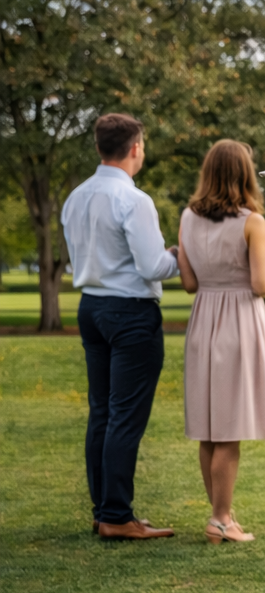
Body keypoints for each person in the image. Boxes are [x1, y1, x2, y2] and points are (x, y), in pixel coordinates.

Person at [62, 113, 181, 540]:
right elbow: (152, 265)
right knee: (125, 416)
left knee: (102, 413)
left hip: (90, 307)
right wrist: (176, 254)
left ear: (98, 147)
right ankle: (116, 515)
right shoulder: (134, 200)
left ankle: (105, 509)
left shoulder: (75, 197)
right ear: (134, 149)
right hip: (130, 312)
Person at [176, 140, 265, 544]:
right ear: (245, 173)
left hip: (204, 320)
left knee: (210, 427)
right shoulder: (251, 222)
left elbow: (189, 283)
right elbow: (261, 284)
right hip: (239, 322)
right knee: (229, 429)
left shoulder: (188, 218)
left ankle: (221, 515)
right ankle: (221, 518)